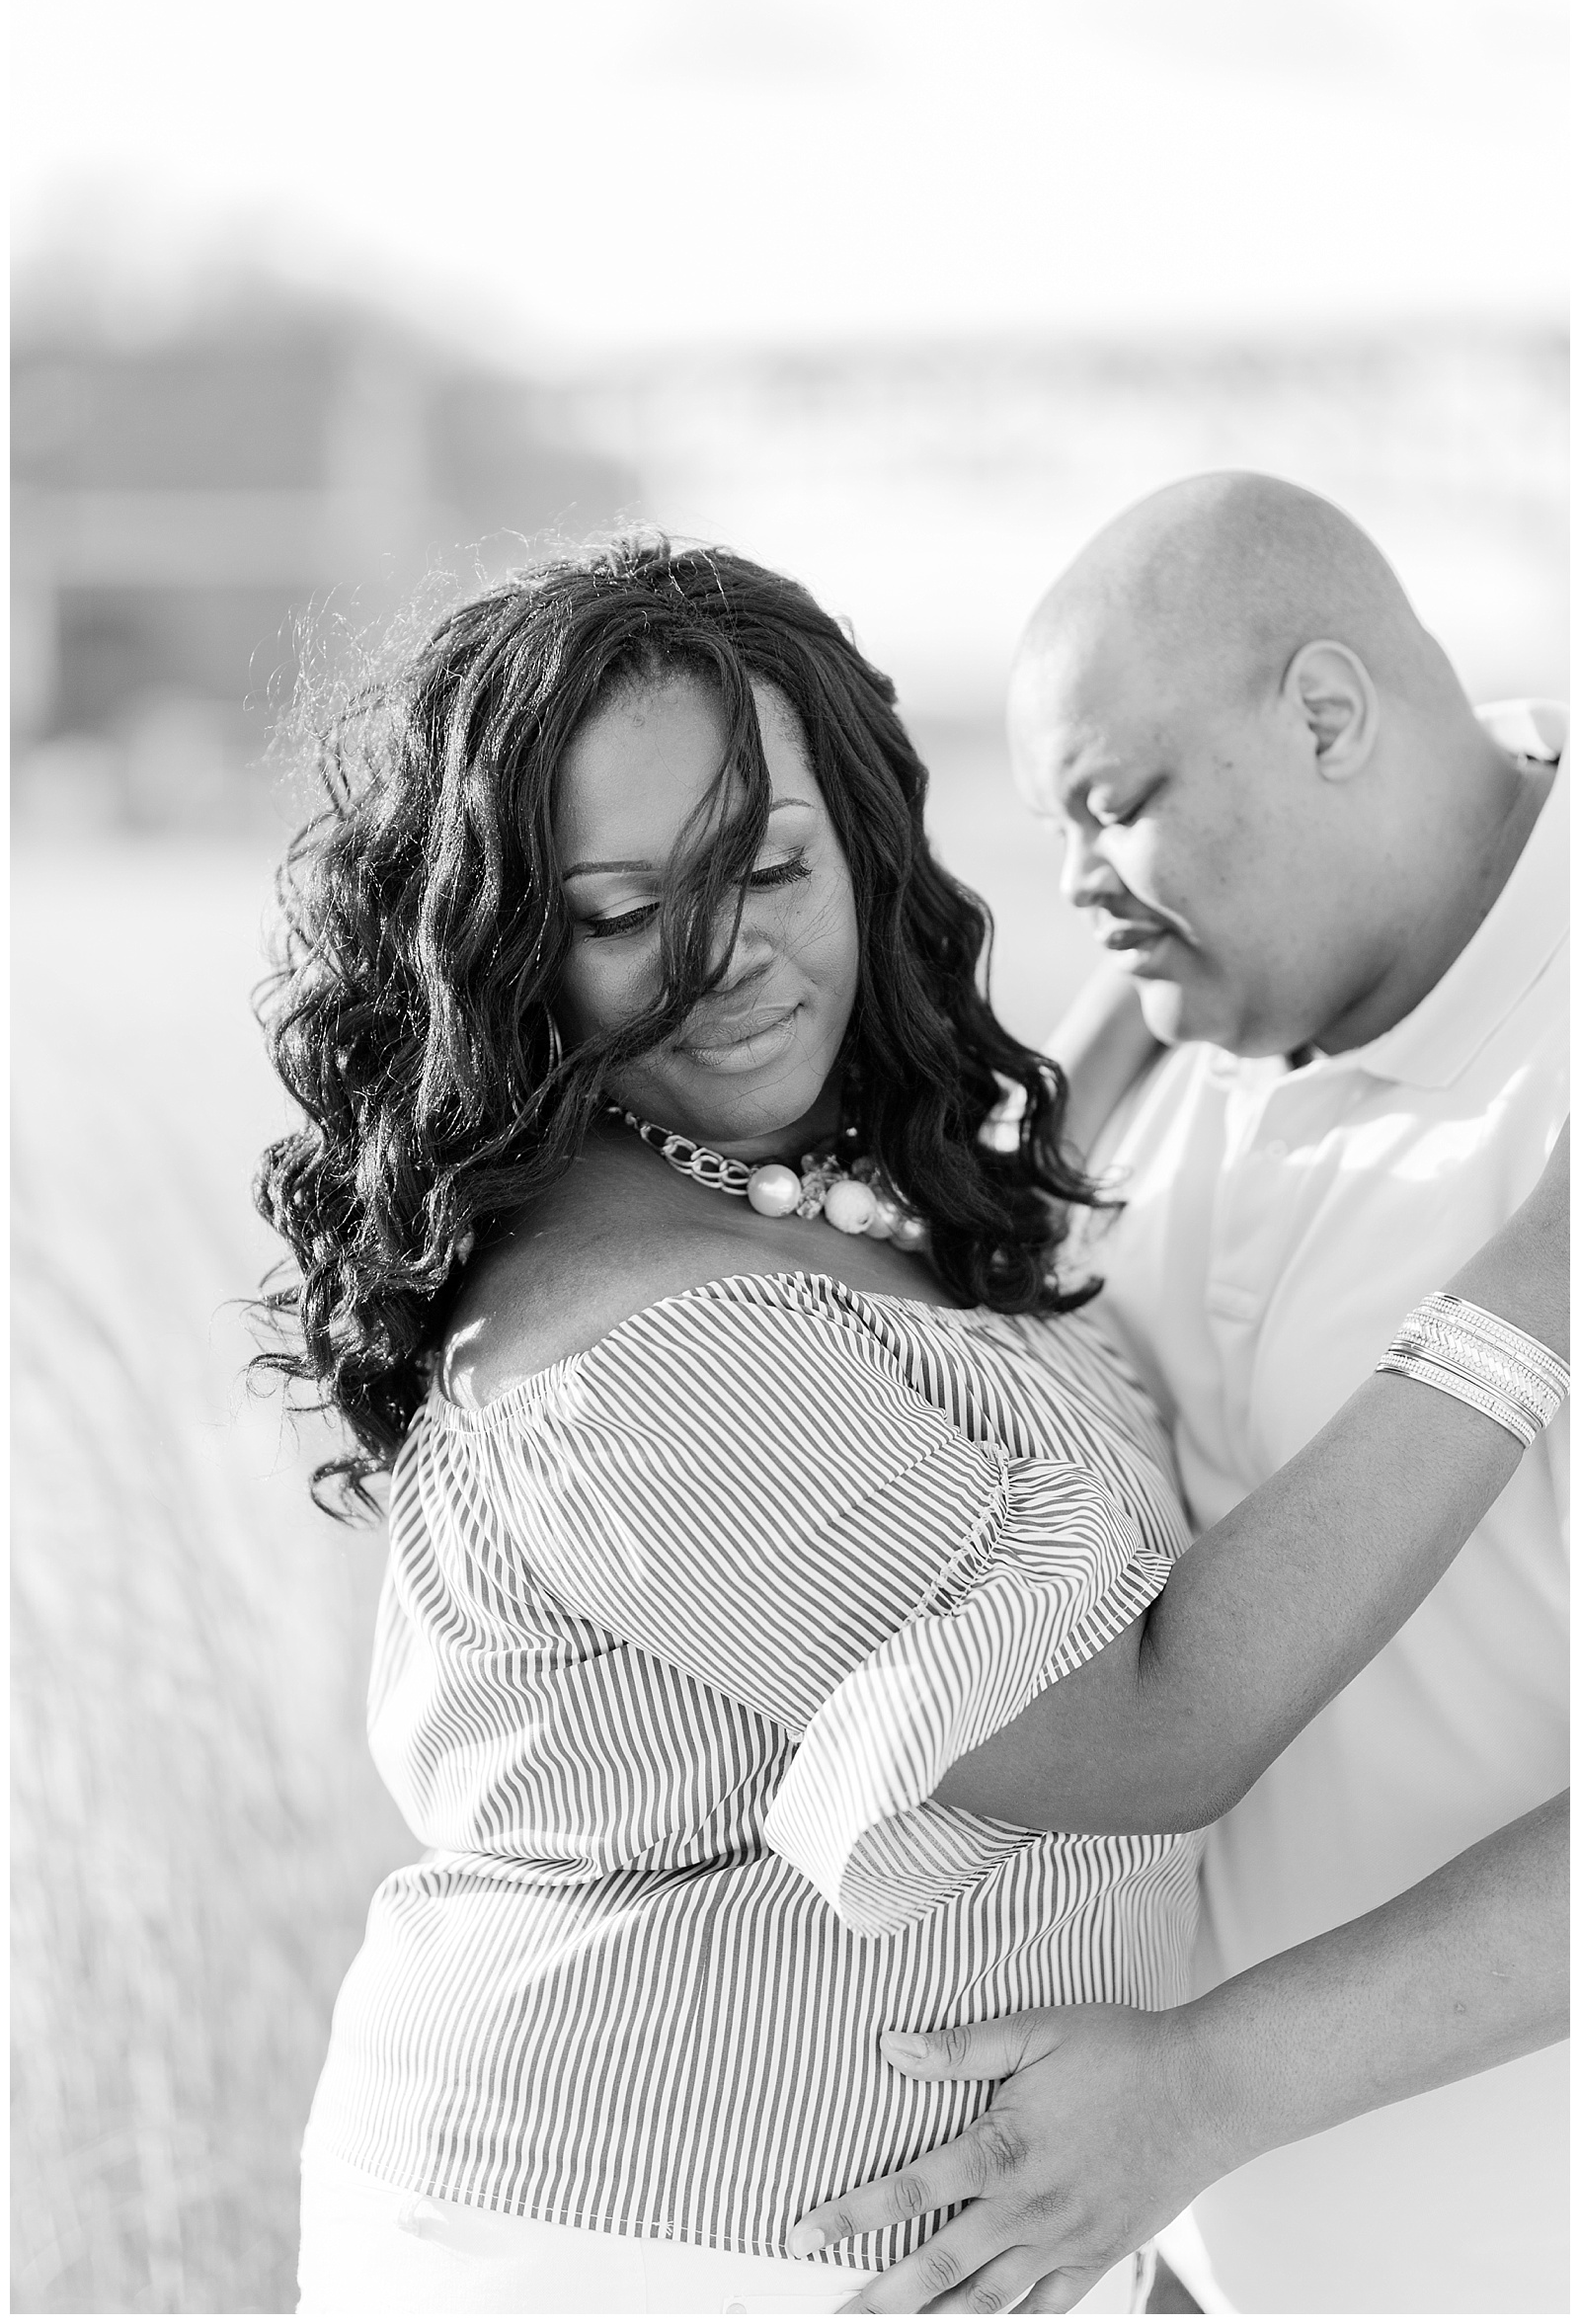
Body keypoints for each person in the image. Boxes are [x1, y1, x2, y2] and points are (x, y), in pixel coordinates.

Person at [253, 536, 1566, 2317]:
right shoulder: (636, 1351)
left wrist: (1472, 793)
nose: (726, 959)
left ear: (860, 847)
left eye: (774, 864)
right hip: (644, 2241)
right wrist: (1546, 1268)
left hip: (884, 2232)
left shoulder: (788, 1190)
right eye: (628, 912)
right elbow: (1157, 1723)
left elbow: (1032, 1199)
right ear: (507, 943)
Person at [790, 474, 1568, 2315]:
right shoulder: (1191, 1012)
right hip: (1195, 2263)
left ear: (1326, 715)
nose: (1065, 883)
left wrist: (1212, 2082)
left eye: (1114, 805)